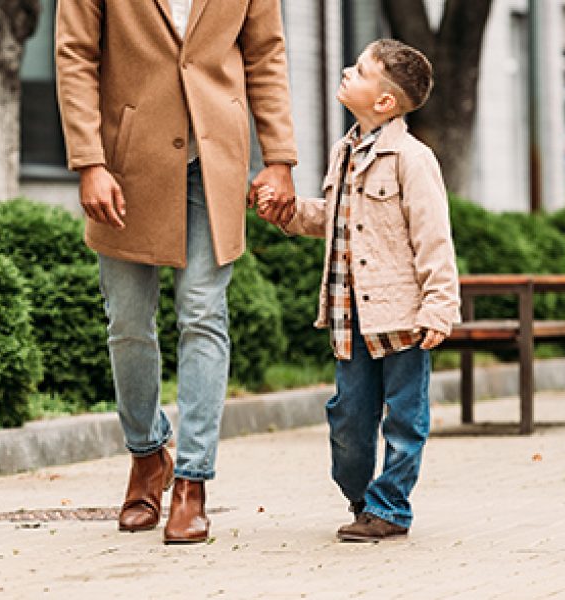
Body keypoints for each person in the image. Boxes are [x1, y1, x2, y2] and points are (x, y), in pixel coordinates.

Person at [55, 0, 298, 544]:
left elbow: (265, 55)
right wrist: (89, 162)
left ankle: (192, 481)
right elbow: (74, 57)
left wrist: (279, 156)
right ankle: (147, 455)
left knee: (203, 313)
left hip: (215, 159)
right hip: (126, 161)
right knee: (128, 323)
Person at [255, 39, 459, 542]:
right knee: (348, 416)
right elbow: (336, 219)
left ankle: (390, 508)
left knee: (405, 419)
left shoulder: (411, 159)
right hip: (349, 312)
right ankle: (361, 496)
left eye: (361, 69)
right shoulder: (344, 151)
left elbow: (433, 236)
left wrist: (439, 307)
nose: (348, 71)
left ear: (385, 101)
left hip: (403, 315)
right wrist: (291, 214)